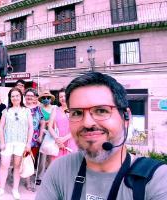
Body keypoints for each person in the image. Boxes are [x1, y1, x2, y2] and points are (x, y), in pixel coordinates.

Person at [36, 72, 167, 200]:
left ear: (126, 117)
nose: (87, 123)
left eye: (101, 110)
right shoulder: (59, 170)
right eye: (77, 113)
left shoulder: (157, 180)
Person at [0, 88, 33, 199]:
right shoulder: (6, 111)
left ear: (21, 97)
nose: (15, 98)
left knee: (17, 166)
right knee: (4, 165)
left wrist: (28, 143)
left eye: (17, 95)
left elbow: (30, 128)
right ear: (10, 98)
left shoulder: (27, 111)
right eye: (13, 96)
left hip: (21, 143)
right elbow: (1, 128)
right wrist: (2, 142)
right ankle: (1, 189)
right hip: (8, 142)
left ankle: (15, 189)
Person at [24, 88, 45, 191]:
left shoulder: (38, 109)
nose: (29, 97)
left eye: (31, 96)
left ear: (34, 98)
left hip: (34, 139)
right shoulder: (22, 107)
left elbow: (42, 123)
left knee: (30, 160)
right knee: (20, 159)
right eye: (27, 95)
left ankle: (28, 182)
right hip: (21, 137)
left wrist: (41, 136)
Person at [47, 88, 77, 159]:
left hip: (72, 141)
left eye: (65, 96)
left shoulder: (75, 109)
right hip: (58, 143)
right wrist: (57, 139)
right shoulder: (55, 110)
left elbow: (78, 127)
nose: (63, 98)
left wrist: (64, 139)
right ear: (58, 99)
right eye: (61, 97)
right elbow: (50, 127)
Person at [36, 90, 57, 184]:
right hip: (43, 133)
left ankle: (50, 176)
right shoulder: (39, 108)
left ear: (51, 99)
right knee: (42, 156)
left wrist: (49, 122)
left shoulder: (55, 108)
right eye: (44, 98)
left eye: (48, 98)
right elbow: (39, 120)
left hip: (53, 133)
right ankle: (40, 176)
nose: (46, 99)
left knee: (52, 155)